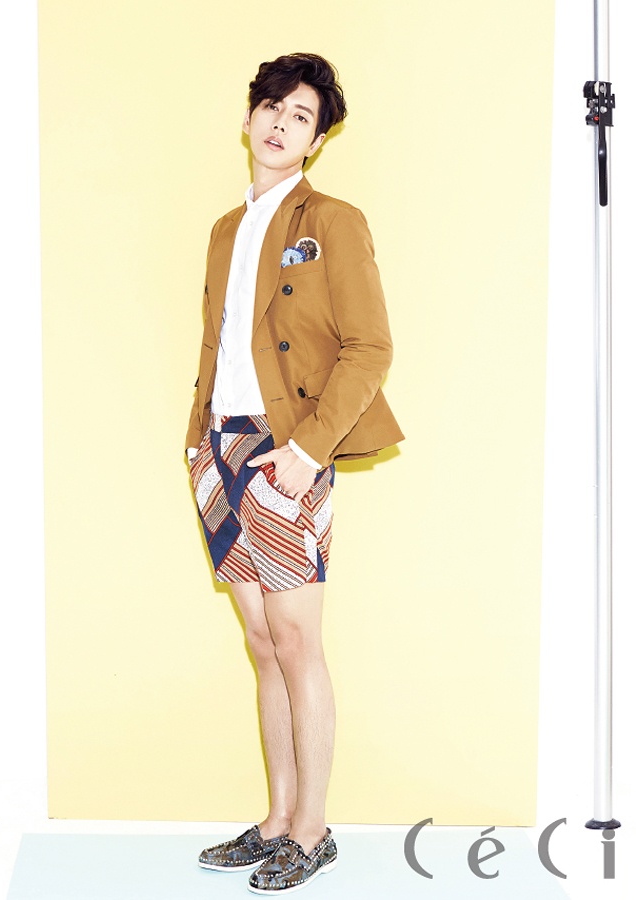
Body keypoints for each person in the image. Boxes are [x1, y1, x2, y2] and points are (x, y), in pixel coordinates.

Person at [186, 52, 403, 894]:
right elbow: (218, 340)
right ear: (248, 119)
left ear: (316, 141)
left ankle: (313, 831)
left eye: (300, 115)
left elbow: (370, 347)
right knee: (261, 642)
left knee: (298, 639)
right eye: (271, 106)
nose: (280, 122)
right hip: (221, 448)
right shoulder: (224, 229)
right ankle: (278, 819)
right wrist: (198, 441)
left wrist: (307, 452)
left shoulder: (333, 221)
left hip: (287, 449)